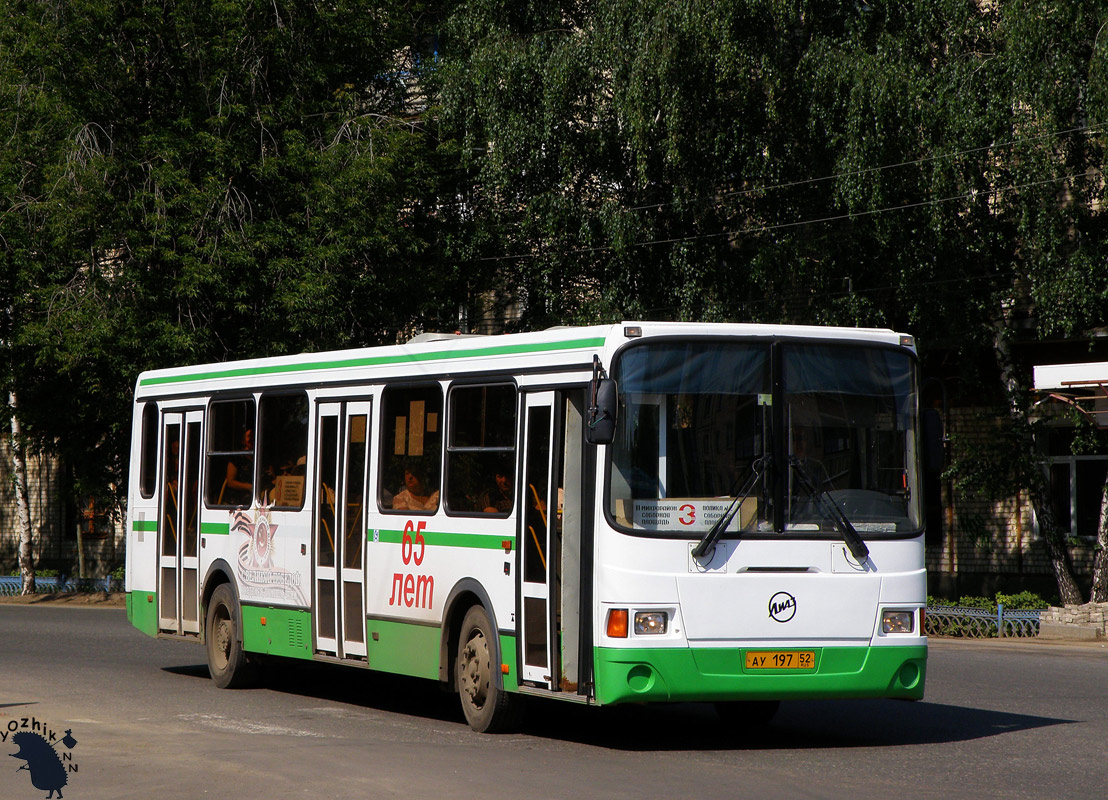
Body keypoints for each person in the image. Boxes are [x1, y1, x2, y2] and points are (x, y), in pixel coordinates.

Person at [221, 427, 254, 506]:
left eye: (252, 436)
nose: (250, 439)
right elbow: (230, 482)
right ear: (243, 440)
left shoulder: (259, 457)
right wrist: (249, 487)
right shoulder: (237, 457)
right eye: (248, 436)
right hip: (236, 501)